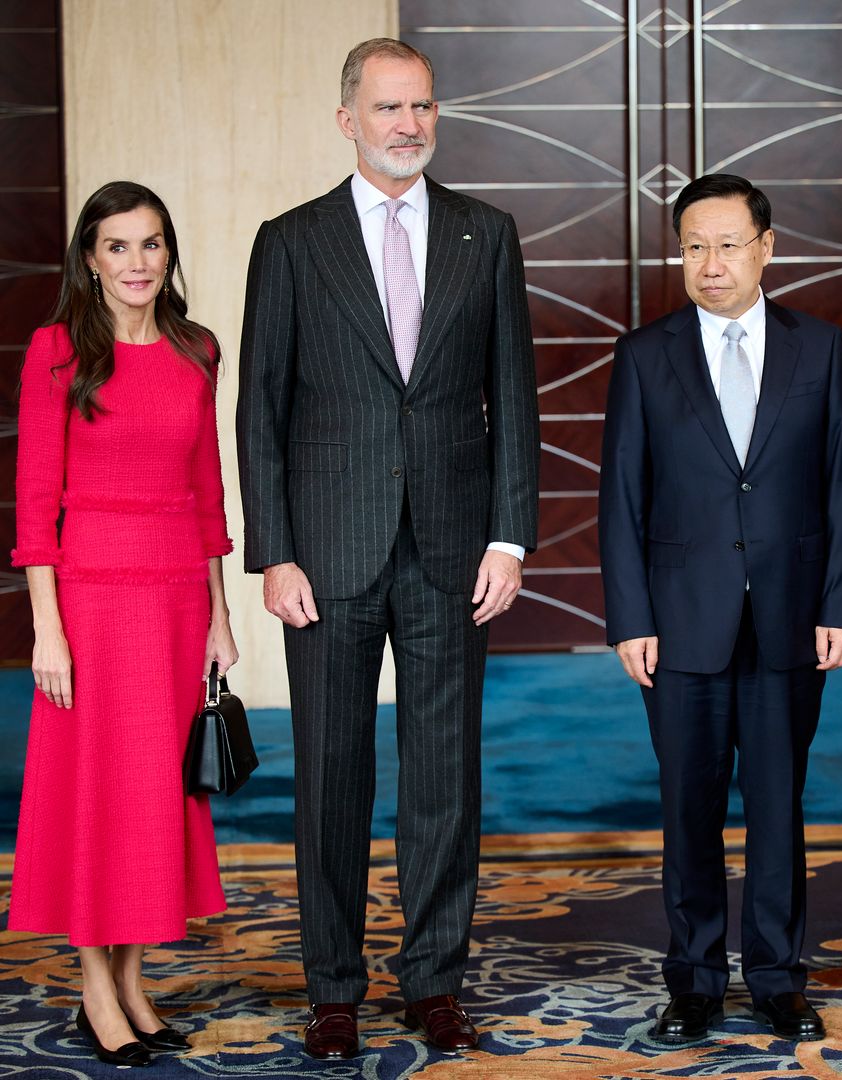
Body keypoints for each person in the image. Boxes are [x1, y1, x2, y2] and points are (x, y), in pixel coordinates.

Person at [236, 38, 539, 1061]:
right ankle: (332, 986)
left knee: (444, 777)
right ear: (347, 120)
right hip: (325, 557)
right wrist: (273, 550)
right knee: (331, 775)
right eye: (388, 107)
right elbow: (259, 410)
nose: (408, 124)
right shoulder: (291, 241)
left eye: (422, 106)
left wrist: (510, 535)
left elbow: (515, 399)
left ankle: (434, 980)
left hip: (456, 554)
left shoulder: (484, 235)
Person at [599, 173, 842, 1045]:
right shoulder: (645, 354)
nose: (709, 264)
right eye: (692, 247)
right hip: (680, 619)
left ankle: (781, 978)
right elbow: (622, 500)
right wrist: (631, 617)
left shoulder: (819, 347)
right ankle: (696, 982)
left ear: (766, 247)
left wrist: (841, 602)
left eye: (726, 244)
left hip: (792, 611)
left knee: (779, 804)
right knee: (690, 807)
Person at [8, 180, 239, 1067]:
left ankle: (134, 979)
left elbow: (208, 491)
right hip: (94, 605)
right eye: (117, 247)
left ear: (169, 253)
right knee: (97, 794)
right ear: (90, 259)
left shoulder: (197, 348)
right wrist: (48, 626)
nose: (137, 263)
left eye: (151, 245)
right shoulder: (58, 352)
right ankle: (94, 989)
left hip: (179, 598)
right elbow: (35, 501)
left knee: (155, 792)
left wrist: (219, 615)